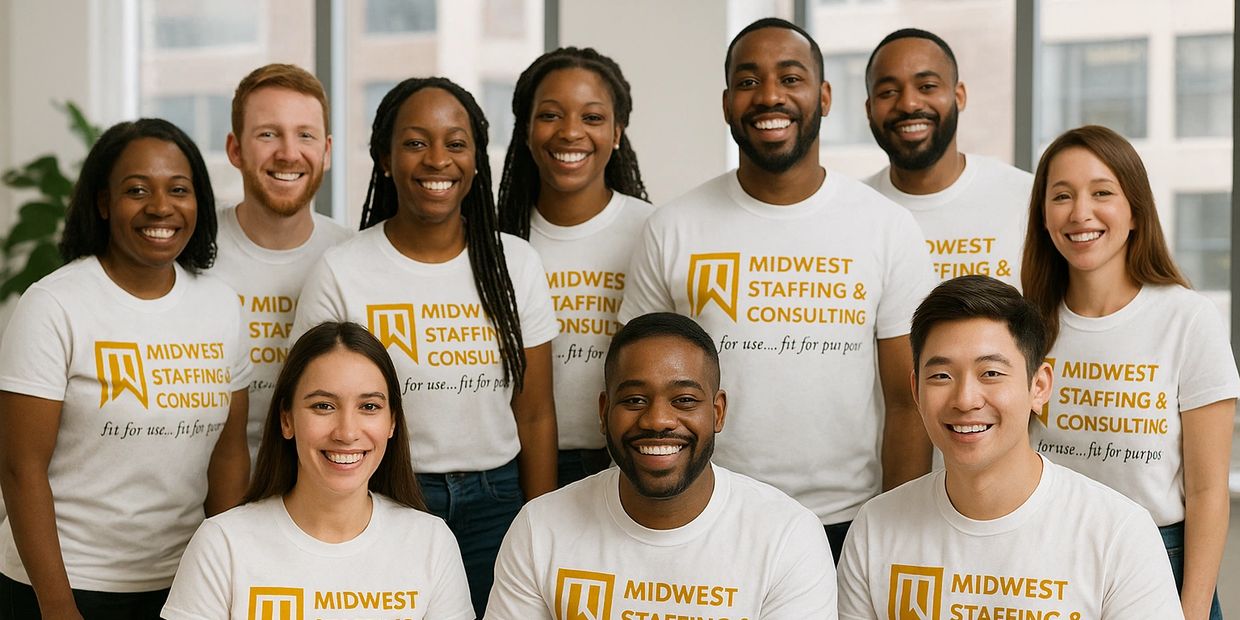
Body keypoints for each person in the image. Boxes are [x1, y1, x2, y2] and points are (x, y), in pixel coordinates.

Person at [619, 16, 935, 561]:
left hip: (847, 522)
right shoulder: (673, 228)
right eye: (748, 81)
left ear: (824, 96)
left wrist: (895, 535)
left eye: (790, 78)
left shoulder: (886, 227)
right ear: (726, 104)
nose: (769, 96)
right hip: (708, 517)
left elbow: (908, 402)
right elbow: (634, 389)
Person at [292, 76, 558, 617]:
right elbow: (312, 405)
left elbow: (534, 415)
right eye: (415, 142)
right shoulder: (341, 271)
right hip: (384, 493)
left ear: (476, 160)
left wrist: (544, 527)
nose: (438, 159)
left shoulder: (516, 264)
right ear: (385, 159)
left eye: (456, 143)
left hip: (497, 503)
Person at [0, 118, 250, 619]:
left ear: (198, 202)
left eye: (178, 189)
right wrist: (58, 606)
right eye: (137, 190)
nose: (160, 207)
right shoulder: (55, 304)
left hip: (185, 583)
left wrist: (231, 576)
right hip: (64, 584)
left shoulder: (221, 305)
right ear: (103, 203)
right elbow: (19, 468)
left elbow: (228, 455)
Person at [836, 275, 1184, 619]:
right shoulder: (875, 529)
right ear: (916, 390)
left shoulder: (1118, 534)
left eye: (990, 373)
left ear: (1039, 387)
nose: (966, 399)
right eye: (942, 376)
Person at [486, 312, 837, 619]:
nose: (657, 420)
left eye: (684, 400)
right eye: (635, 399)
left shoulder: (788, 536)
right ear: (604, 412)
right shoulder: (539, 528)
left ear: (717, 412)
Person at [1022, 125, 1238, 620]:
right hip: (1049, 556)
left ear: (1135, 211)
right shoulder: (1026, 324)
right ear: (1043, 216)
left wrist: (1192, 610)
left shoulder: (1188, 318)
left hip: (1163, 559)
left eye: (1102, 193)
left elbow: (1207, 492)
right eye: (1062, 196)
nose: (1081, 213)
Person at [162, 322, 474, 620]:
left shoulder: (431, 542)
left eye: (369, 407)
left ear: (392, 422)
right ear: (287, 420)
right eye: (323, 406)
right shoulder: (222, 544)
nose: (347, 432)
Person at [498, 46, 653, 487]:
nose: (570, 132)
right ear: (526, 130)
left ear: (617, 132)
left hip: (628, 458)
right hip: (515, 462)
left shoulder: (652, 231)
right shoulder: (495, 245)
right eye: (550, 115)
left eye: (592, 117)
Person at [212, 63, 352, 464]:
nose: (289, 153)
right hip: (199, 482)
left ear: (326, 151)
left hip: (318, 476)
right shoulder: (190, 253)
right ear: (235, 149)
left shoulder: (352, 257)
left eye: (305, 135)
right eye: (268, 134)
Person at [863, 28, 1030, 288]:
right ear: (869, 109)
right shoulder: (853, 210)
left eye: (927, 87)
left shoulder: (1027, 197)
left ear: (959, 96)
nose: (909, 104)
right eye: (888, 92)